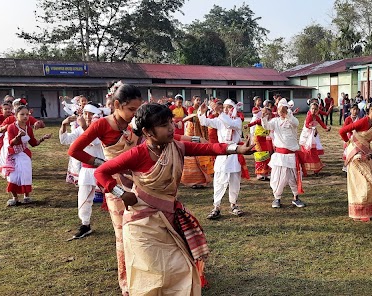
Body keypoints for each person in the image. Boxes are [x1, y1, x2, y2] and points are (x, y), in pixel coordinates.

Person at [94, 103, 254, 296]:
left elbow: (208, 147)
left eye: (170, 122)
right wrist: (120, 192)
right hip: (141, 225)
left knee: (182, 269)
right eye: (163, 124)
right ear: (147, 131)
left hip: (168, 219)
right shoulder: (137, 154)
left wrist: (236, 148)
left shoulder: (177, 147)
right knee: (153, 276)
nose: (171, 128)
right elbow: (101, 171)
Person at [67, 82, 143, 295]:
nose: (134, 114)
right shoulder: (102, 125)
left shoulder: (133, 124)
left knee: (141, 230)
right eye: (131, 110)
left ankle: (144, 275)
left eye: (138, 109)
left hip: (138, 182)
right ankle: (127, 283)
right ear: (117, 104)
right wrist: (100, 162)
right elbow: (74, 150)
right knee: (122, 233)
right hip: (115, 187)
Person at [59, 104, 105, 239]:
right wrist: (64, 124)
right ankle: (85, 224)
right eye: (85, 114)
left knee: (113, 196)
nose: (88, 117)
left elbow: (95, 141)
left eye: (91, 114)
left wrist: (84, 126)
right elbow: (64, 140)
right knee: (84, 198)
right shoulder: (80, 130)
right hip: (86, 169)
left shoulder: (102, 128)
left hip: (103, 168)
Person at [198, 99, 246, 219]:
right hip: (222, 153)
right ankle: (216, 207)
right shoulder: (220, 120)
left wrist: (220, 113)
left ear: (234, 108)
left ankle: (234, 205)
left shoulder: (237, 120)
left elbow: (229, 124)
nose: (225, 109)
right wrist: (202, 112)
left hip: (234, 154)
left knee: (234, 181)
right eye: (224, 107)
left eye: (229, 107)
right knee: (219, 181)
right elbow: (205, 122)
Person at [1, 105, 52, 206]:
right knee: (13, 177)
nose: (25, 117)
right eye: (22, 114)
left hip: (24, 155)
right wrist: (18, 136)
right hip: (13, 155)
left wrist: (43, 138)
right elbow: (12, 143)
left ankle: (26, 197)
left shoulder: (29, 128)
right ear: (16, 115)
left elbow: (33, 143)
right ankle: (15, 198)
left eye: (27, 114)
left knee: (26, 175)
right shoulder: (11, 127)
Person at [260, 99, 306, 208]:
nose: (281, 111)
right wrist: (264, 117)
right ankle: (277, 198)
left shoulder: (291, 119)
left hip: (292, 155)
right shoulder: (275, 121)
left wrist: (286, 114)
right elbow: (266, 126)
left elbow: (296, 123)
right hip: (280, 157)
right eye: (279, 109)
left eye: (283, 109)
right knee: (278, 178)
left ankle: (296, 198)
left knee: (294, 178)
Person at [181, 96, 213, 188]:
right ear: (193, 101)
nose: (198, 102)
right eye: (197, 100)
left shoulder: (202, 109)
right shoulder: (191, 109)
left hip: (200, 132)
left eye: (200, 100)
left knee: (200, 156)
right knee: (191, 157)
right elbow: (189, 118)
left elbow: (204, 119)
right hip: (191, 131)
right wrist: (197, 115)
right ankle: (192, 181)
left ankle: (202, 181)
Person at [299, 102, 331, 176]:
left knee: (313, 152)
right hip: (306, 136)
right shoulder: (309, 116)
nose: (313, 110)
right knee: (306, 152)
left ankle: (316, 168)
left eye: (315, 109)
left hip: (311, 136)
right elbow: (307, 125)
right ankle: (304, 169)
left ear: (317, 110)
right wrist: (313, 128)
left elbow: (321, 123)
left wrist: (326, 128)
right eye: (312, 109)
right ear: (310, 109)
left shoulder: (316, 117)